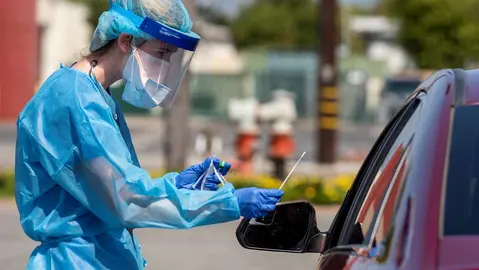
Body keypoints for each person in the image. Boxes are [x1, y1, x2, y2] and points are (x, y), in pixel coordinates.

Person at [14, 0, 284, 269]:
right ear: (125, 40)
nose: (166, 64)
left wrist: (177, 184)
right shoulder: (75, 100)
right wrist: (230, 202)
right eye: (162, 52)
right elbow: (128, 199)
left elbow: (112, 186)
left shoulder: (95, 95)